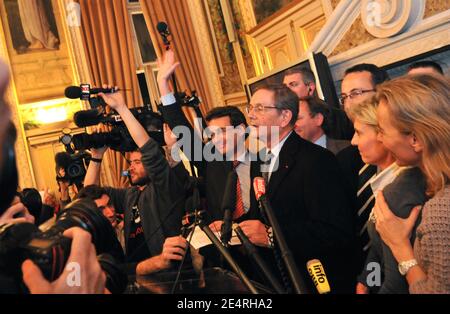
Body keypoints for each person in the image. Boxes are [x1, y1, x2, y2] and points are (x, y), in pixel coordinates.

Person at [246, 84, 356, 293]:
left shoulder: (317, 159)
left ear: (285, 116)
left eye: (260, 108)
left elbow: (334, 230)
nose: (251, 116)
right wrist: (233, 229)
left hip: (312, 279)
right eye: (250, 108)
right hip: (273, 281)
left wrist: (272, 236)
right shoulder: (258, 160)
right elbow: (261, 215)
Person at [83, 87, 188, 275]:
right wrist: (96, 157)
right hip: (136, 275)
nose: (131, 167)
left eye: (138, 162)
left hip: (167, 274)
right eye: (130, 162)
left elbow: (149, 149)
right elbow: (89, 194)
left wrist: (122, 108)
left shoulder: (163, 187)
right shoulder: (130, 195)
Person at [373, 74, 450, 293]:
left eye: (382, 131)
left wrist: (400, 246)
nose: (379, 138)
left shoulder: (440, 212)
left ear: (415, 139)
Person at [336, 64, 390, 270]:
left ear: (382, 91)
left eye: (356, 93)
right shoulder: (346, 156)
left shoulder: (408, 155)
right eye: (344, 97)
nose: (349, 103)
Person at [283, 67, 354, 140]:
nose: (286, 90)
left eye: (293, 84)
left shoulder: (336, 117)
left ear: (310, 88)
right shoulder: (280, 119)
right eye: (285, 86)